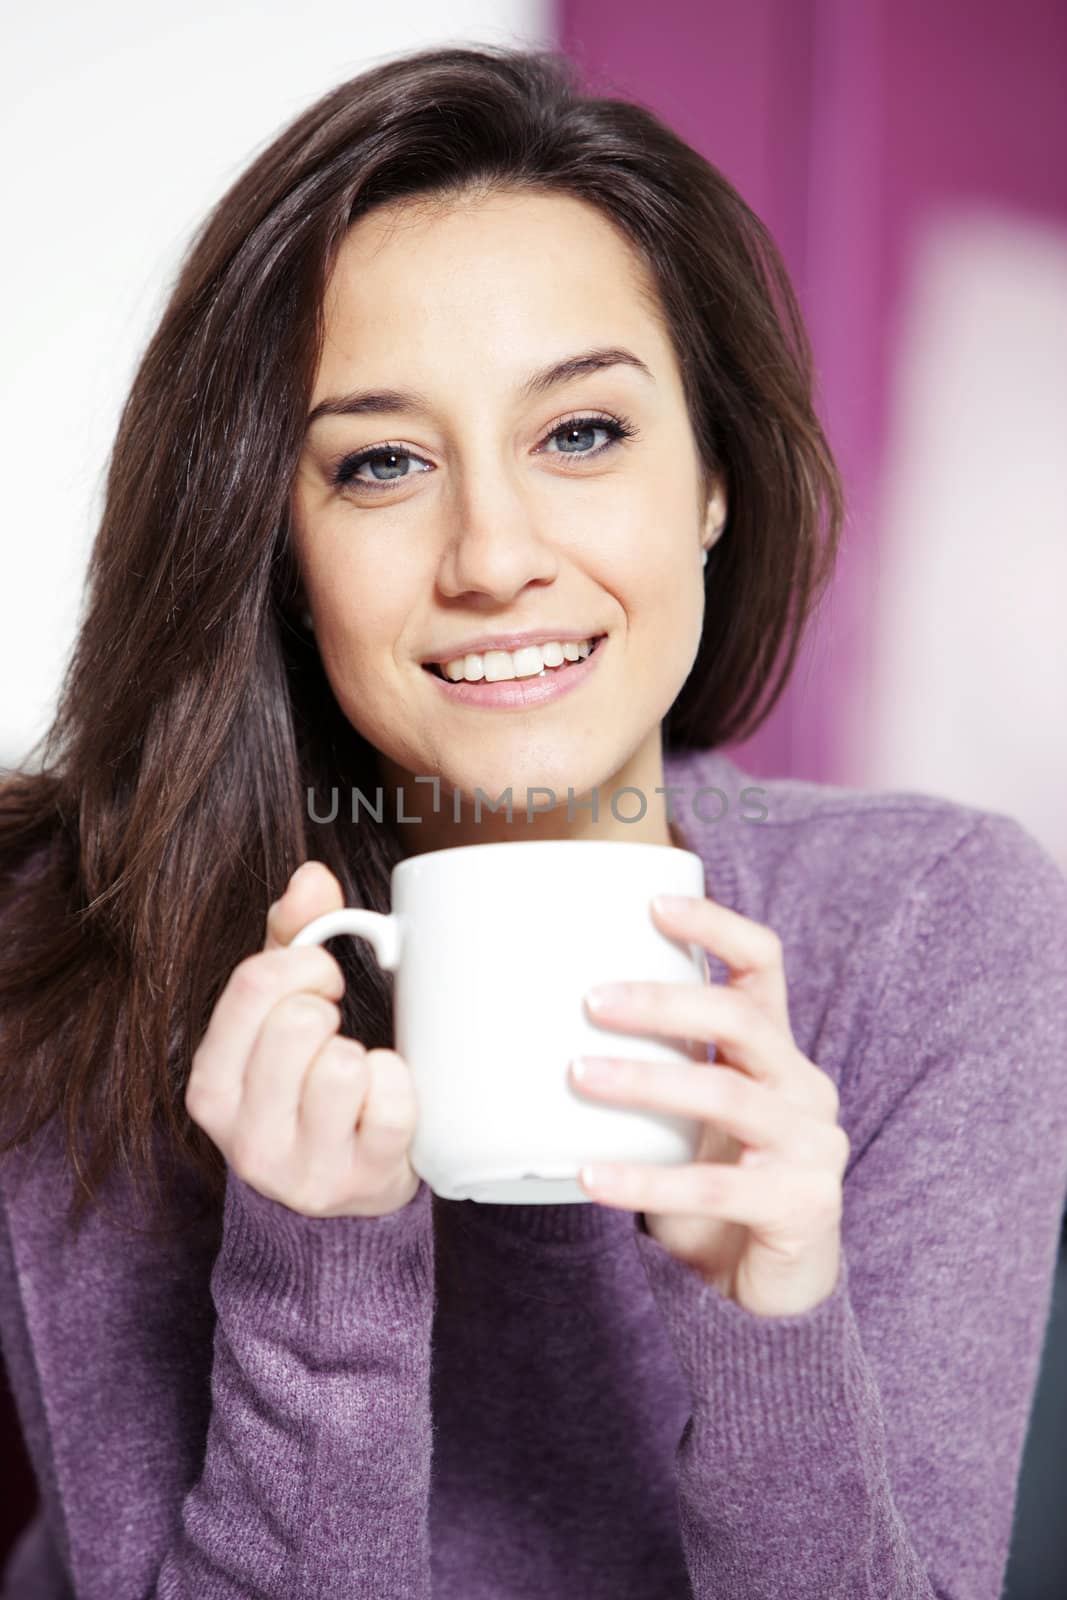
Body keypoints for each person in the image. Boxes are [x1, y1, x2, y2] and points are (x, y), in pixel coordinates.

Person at [0, 41, 1065, 1600]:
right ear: (275, 545)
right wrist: (315, 1269)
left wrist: (773, 1331)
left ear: (713, 478)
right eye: (379, 463)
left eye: (582, 435)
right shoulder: (73, 935)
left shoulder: (931, 927)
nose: (494, 554)